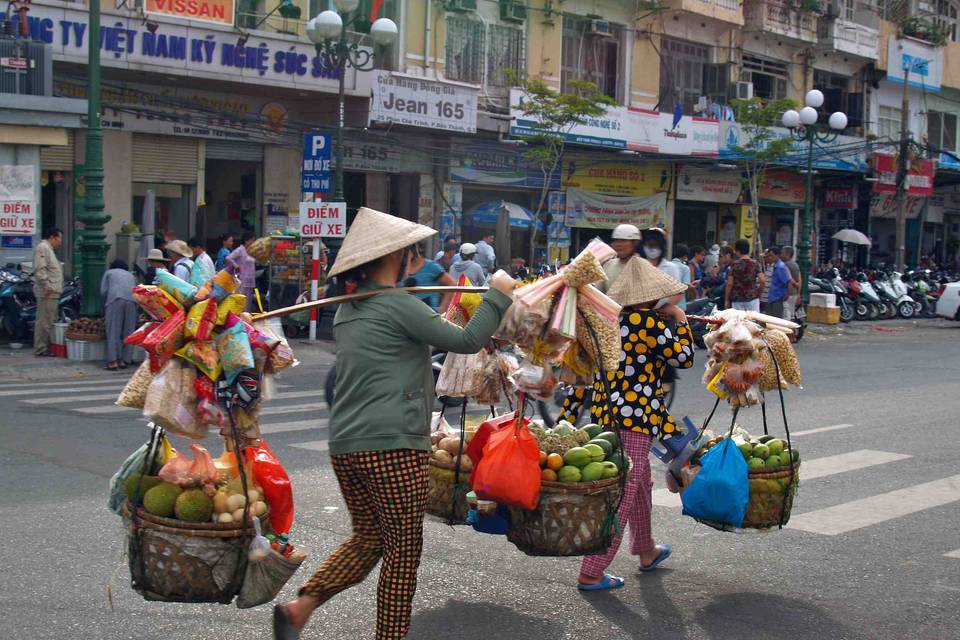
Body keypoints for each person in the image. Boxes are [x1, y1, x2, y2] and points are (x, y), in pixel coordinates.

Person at [274, 207, 515, 640]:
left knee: (369, 540)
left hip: (346, 444)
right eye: (410, 251)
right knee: (403, 553)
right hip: (391, 447)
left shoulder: (349, 309)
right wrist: (498, 293)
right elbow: (466, 341)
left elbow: (430, 333)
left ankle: (301, 605)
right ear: (397, 256)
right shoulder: (396, 305)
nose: (413, 258)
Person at [577, 256, 693, 590]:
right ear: (650, 296)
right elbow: (684, 358)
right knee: (625, 491)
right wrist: (680, 318)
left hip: (605, 412)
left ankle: (646, 550)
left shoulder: (612, 317)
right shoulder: (648, 322)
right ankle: (592, 569)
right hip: (636, 416)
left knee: (639, 482)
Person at [101, 259, 138, 371]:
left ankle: (113, 361)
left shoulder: (109, 273)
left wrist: (104, 306)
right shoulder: (131, 275)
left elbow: (103, 291)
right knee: (128, 331)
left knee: (113, 330)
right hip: (132, 301)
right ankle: (125, 360)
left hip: (115, 299)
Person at [32, 228, 63, 357]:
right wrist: (46, 285)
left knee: (49, 320)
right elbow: (40, 269)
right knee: (44, 321)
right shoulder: (43, 248)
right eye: (59, 239)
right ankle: (41, 348)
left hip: (52, 291)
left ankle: (45, 346)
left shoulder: (48, 249)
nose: (60, 242)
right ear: (52, 237)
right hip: (47, 291)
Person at [402, 241, 456, 312]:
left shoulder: (431, 266)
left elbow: (452, 284)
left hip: (429, 314)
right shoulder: (401, 269)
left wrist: (443, 308)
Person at [726, 239, 765, 312]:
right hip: (752, 298)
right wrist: (759, 293)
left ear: (738, 251)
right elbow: (762, 280)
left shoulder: (734, 265)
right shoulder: (755, 264)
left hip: (737, 299)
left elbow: (729, 284)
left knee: (738, 321)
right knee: (753, 321)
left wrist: (727, 300)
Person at [226, 231, 257, 309]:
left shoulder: (251, 251)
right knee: (241, 301)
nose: (253, 242)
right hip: (242, 280)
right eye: (252, 240)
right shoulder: (240, 249)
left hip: (250, 280)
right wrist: (236, 266)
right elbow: (229, 258)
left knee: (248, 302)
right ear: (246, 241)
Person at [763, 246, 793, 319]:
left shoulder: (781, 267)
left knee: (776, 319)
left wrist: (788, 294)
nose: (770, 258)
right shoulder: (774, 266)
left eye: (772, 256)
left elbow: (789, 282)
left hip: (777, 298)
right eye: (769, 256)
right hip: (771, 297)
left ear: (777, 255)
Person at [782, 246, 801, 321]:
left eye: (783, 253)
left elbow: (789, 280)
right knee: (792, 314)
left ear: (788, 254)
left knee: (786, 315)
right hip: (795, 293)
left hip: (788, 293)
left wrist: (788, 294)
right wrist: (798, 293)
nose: (781, 255)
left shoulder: (786, 265)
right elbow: (800, 280)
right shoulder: (796, 264)